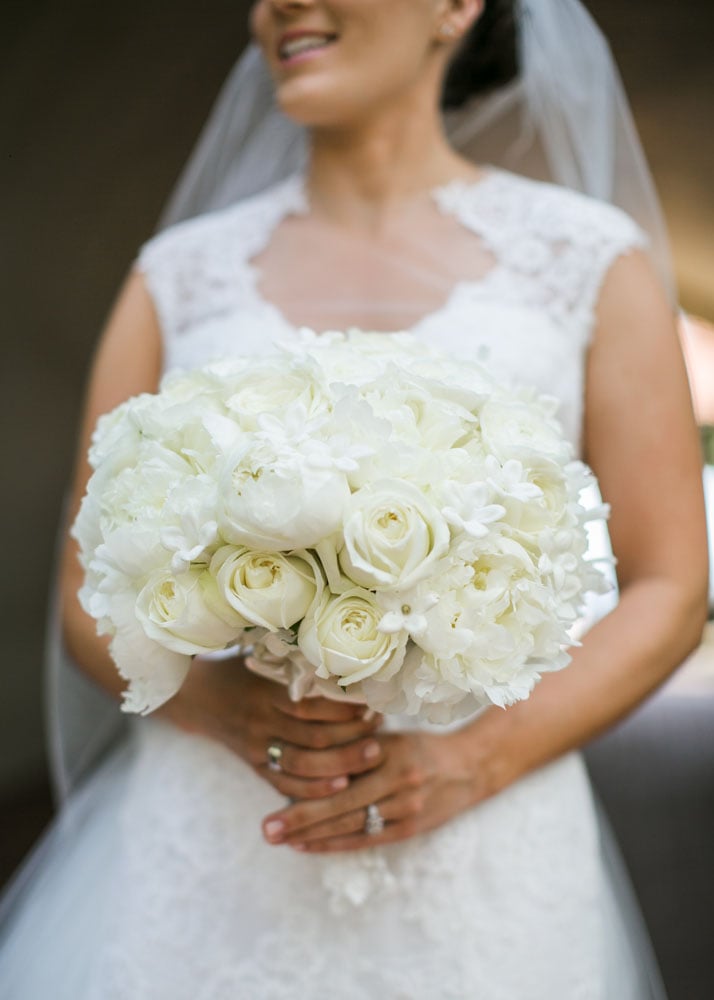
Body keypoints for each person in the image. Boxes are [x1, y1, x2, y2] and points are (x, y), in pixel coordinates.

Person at [0, 1, 708, 997]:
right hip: (214, 828)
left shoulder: (591, 259)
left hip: (483, 842)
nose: (278, 5)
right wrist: (223, 708)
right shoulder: (179, 276)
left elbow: (671, 583)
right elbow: (87, 590)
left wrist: (473, 757)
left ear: (456, 8)